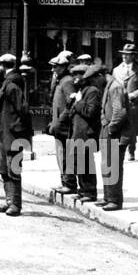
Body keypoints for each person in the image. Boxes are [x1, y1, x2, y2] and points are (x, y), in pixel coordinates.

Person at [0, 57, 32, 216]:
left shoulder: (12, 85)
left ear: (3, 67)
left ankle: (16, 204)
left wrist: (19, 129)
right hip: (5, 135)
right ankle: (9, 201)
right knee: (4, 169)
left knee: (13, 170)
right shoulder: (6, 84)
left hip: (14, 135)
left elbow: (23, 109)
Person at [67, 62, 106, 203]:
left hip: (86, 133)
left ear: (85, 76)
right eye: (74, 75)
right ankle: (82, 189)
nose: (74, 79)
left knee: (86, 163)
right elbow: (73, 112)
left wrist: (78, 102)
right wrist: (72, 101)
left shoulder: (92, 91)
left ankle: (89, 192)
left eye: (78, 75)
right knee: (78, 162)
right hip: (77, 132)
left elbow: (90, 112)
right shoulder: (81, 91)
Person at [99, 60, 134, 211]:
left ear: (101, 76)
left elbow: (120, 112)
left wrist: (111, 128)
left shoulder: (115, 88)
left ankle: (114, 200)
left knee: (113, 167)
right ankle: (108, 197)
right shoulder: (109, 86)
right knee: (107, 165)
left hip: (117, 134)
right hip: (109, 131)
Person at [48, 51, 79, 194]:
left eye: (56, 67)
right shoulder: (61, 80)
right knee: (61, 154)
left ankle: (69, 183)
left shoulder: (67, 81)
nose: (53, 69)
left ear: (63, 67)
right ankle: (65, 182)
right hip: (59, 125)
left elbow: (72, 102)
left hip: (64, 126)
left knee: (66, 155)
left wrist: (60, 121)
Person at [113, 44, 138, 160]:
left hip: (133, 106)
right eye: (123, 54)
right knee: (118, 127)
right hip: (118, 104)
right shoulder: (116, 70)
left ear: (133, 56)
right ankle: (118, 151)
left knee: (131, 129)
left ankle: (131, 151)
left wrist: (132, 95)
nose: (125, 57)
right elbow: (112, 87)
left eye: (127, 55)